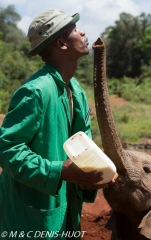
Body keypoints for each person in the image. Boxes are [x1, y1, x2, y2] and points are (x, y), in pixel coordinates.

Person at [0, 9, 114, 240]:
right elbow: (7, 149)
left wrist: (92, 176)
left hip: (66, 208)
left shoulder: (77, 92)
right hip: (31, 216)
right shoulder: (35, 92)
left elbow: (83, 147)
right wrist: (58, 171)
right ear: (61, 42)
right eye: (74, 28)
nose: (83, 32)